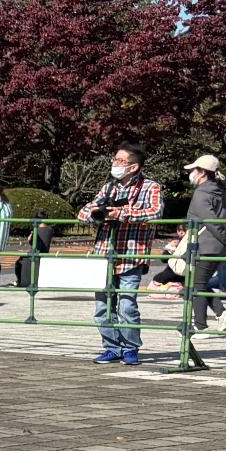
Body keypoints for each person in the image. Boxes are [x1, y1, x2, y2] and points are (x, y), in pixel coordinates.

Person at [79, 143, 163, 365]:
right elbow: (83, 212)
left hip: (132, 256)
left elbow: (155, 212)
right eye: (114, 159)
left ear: (133, 166)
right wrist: (98, 213)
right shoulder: (109, 188)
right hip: (104, 255)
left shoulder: (151, 187)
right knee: (102, 307)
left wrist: (122, 213)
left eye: (120, 160)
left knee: (127, 306)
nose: (114, 163)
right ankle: (111, 347)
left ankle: (130, 348)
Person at [152, 154, 226, 336]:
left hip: (204, 244)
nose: (191, 173)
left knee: (196, 284)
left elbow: (210, 221)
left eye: (194, 170)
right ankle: (222, 314)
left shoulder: (202, 193)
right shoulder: (221, 191)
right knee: (198, 282)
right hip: (216, 245)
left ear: (202, 173)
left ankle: (201, 326)